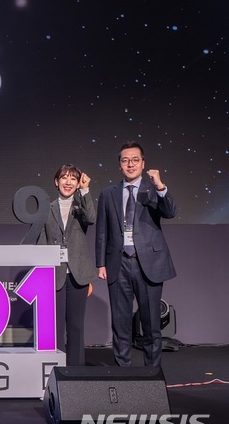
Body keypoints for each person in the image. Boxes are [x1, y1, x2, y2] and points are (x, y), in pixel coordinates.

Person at [96, 141, 177, 367]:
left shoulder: (153, 190)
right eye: (125, 160)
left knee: (151, 325)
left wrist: (160, 185)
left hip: (149, 263)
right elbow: (102, 231)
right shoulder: (108, 194)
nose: (130, 164)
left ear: (143, 163)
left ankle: (152, 374)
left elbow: (170, 212)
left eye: (135, 160)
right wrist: (100, 263)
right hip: (118, 263)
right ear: (119, 165)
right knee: (120, 323)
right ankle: (124, 374)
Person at [37, 164, 98, 366]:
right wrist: (42, 272)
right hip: (54, 274)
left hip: (78, 273)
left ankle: (76, 371)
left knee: (76, 326)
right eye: (64, 177)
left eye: (73, 178)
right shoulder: (46, 208)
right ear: (56, 182)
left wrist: (85, 191)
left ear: (78, 183)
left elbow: (91, 218)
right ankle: (56, 369)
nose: (68, 182)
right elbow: (41, 240)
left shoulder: (81, 206)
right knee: (55, 326)